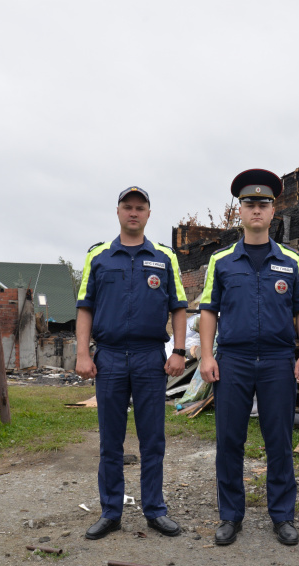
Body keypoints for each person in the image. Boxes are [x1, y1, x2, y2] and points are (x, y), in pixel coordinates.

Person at [198, 169, 299, 547]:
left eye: (263, 204)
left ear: (273, 210)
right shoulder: (221, 261)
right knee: (229, 439)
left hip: (279, 359)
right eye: (249, 204)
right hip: (233, 359)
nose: (256, 210)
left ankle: (282, 516)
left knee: (278, 439)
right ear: (240, 211)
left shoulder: (291, 260)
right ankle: (231, 516)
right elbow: (209, 311)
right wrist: (206, 356)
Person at [75, 186, 188, 540]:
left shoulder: (165, 257)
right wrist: (82, 353)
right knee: (111, 441)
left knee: (152, 439)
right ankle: (111, 512)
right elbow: (84, 308)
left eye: (140, 208)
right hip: (108, 357)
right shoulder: (98, 256)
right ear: (118, 212)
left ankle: (155, 510)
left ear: (149, 214)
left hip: (148, 358)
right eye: (128, 207)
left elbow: (179, 308)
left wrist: (179, 351)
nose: (134, 213)